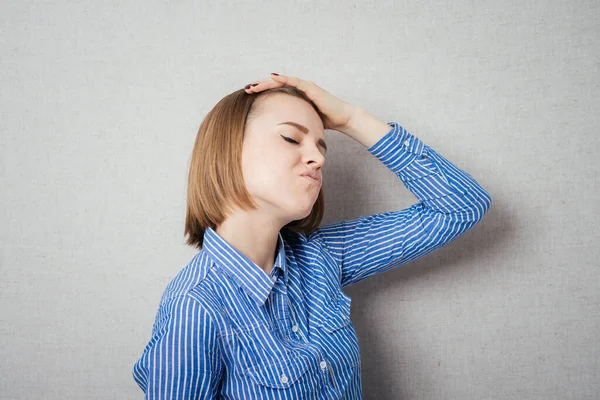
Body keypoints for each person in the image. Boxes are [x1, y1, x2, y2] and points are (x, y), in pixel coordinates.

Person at [132, 73, 492, 399]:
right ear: (230, 147)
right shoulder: (195, 308)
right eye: (291, 138)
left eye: (322, 147)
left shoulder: (321, 257)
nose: (317, 160)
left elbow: (460, 207)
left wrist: (352, 119)